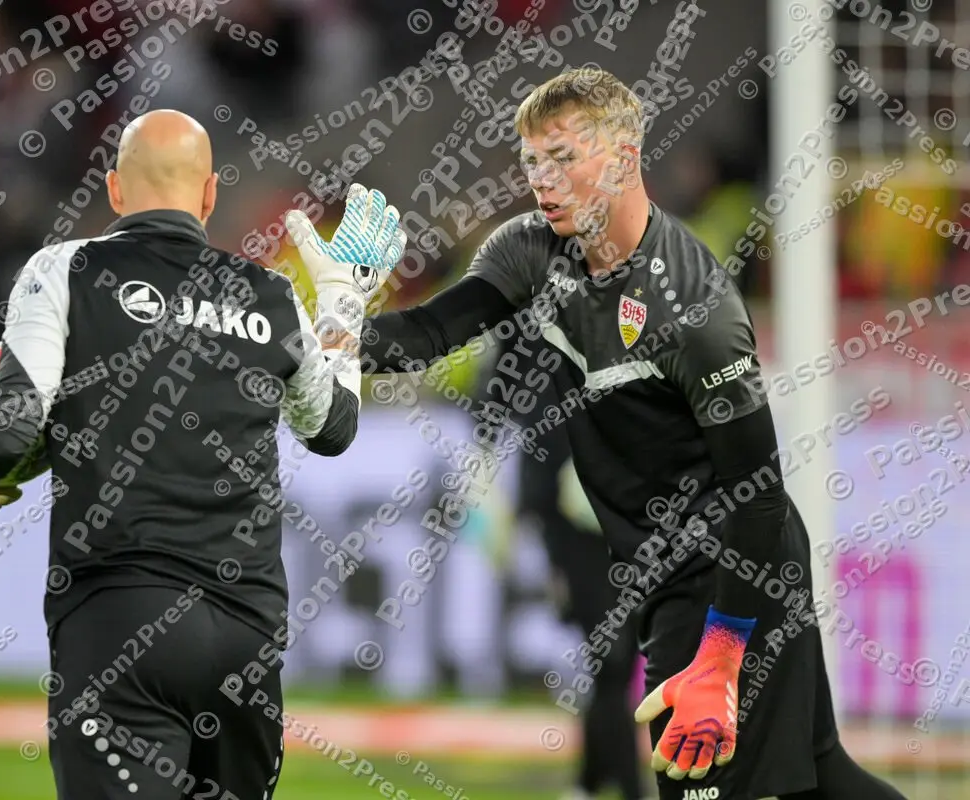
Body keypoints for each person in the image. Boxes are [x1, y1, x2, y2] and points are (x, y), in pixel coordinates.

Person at [360, 68, 906, 800]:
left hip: (731, 572)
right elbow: (425, 336)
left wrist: (717, 655)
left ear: (622, 157)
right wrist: (327, 326)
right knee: (823, 780)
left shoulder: (695, 306)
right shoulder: (529, 250)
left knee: (703, 787)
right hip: (661, 570)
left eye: (562, 158)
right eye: (530, 162)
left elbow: (758, 496)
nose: (540, 181)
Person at [0, 109, 405, 800]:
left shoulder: (66, 269)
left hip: (121, 624)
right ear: (208, 197)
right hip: (247, 638)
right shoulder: (270, 297)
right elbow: (333, 429)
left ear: (115, 191)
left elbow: (13, 428)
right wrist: (343, 306)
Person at [476, 329, 644, 800]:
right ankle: (629, 790)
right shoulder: (530, 311)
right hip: (570, 518)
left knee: (617, 656)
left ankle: (587, 783)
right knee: (611, 656)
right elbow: (493, 403)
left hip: (628, 511)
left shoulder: (627, 300)